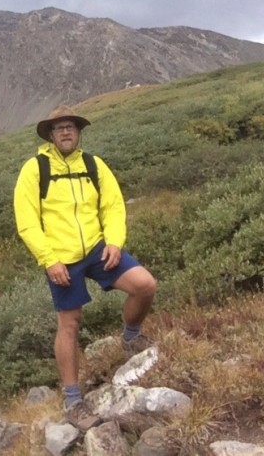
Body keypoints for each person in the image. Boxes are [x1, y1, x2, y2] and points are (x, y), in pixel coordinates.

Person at [13, 104, 157, 431]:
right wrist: (49, 259)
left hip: (97, 249)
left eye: (71, 127)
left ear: (78, 132)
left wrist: (115, 242)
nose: (66, 132)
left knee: (145, 285)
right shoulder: (34, 170)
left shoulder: (94, 165)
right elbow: (27, 223)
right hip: (61, 258)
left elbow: (113, 206)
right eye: (60, 127)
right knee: (70, 324)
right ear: (50, 134)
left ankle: (131, 337)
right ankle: (73, 400)